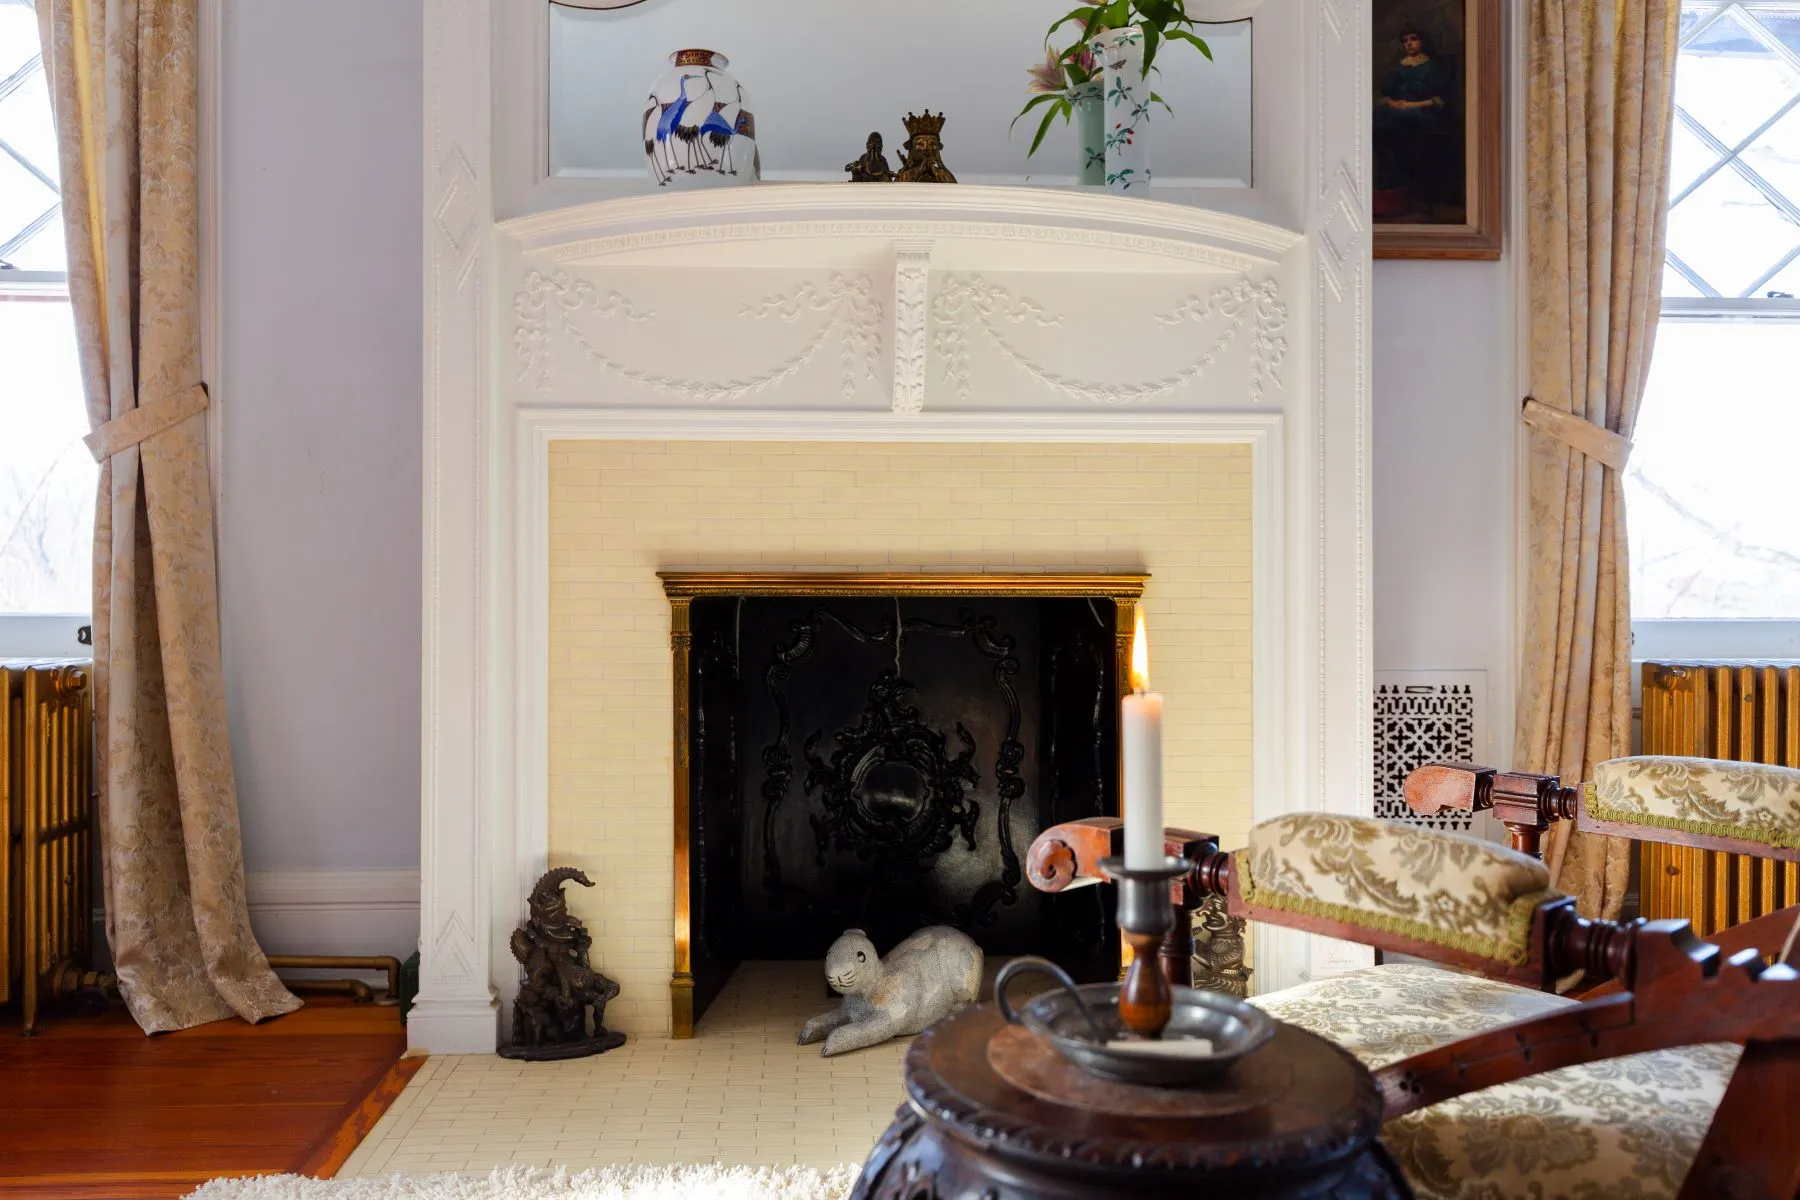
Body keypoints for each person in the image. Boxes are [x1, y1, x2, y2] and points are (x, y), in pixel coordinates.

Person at [1374, 27, 1455, 217]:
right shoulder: (1399, 67)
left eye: (1413, 39)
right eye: (1405, 40)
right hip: (1400, 112)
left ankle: (1398, 182)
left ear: (1422, 41)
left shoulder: (1432, 67)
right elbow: (1387, 94)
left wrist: (1410, 105)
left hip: (1425, 114)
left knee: (1400, 121)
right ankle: (1389, 181)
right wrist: (1391, 102)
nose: (1409, 43)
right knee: (1378, 116)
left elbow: (1439, 100)